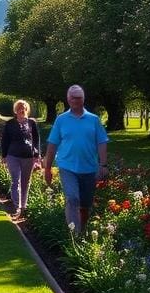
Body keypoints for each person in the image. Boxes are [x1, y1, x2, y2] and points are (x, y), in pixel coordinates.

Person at [43, 85, 109, 234]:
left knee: (85, 205)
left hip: (89, 168)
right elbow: (52, 144)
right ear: (68, 99)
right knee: (72, 198)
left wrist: (103, 164)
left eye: (78, 97)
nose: (75, 100)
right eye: (72, 97)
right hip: (67, 167)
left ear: (83, 99)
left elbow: (102, 142)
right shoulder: (61, 120)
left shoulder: (94, 120)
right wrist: (47, 169)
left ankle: (82, 231)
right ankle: (75, 235)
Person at [0, 99, 40, 219]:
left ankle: (23, 207)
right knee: (15, 181)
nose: (21, 110)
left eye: (23, 108)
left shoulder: (32, 123)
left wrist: (37, 155)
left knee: (25, 182)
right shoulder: (10, 124)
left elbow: (36, 140)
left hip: (28, 156)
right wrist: (4, 155)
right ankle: (17, 206)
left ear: (27, 110)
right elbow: (5, 140)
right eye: (19, 108)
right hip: (13, 155)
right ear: (15, 110)